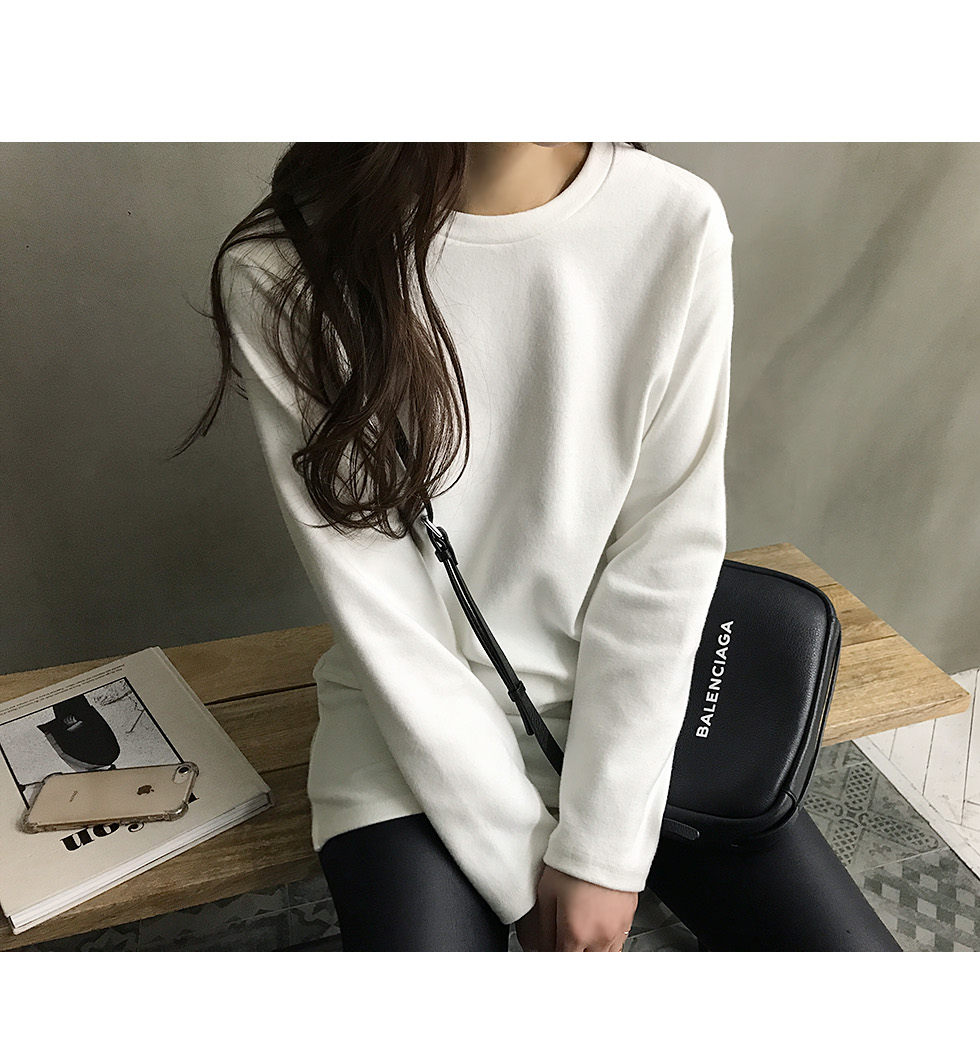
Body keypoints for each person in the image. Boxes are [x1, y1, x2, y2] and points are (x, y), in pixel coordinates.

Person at [204, 142, 887, 953]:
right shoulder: (287, 268)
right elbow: (386, 623)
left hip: (635, 709)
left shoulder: (672, 220)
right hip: (410, 733)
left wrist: (602, 851)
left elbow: (666, 551)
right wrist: (520, 867)